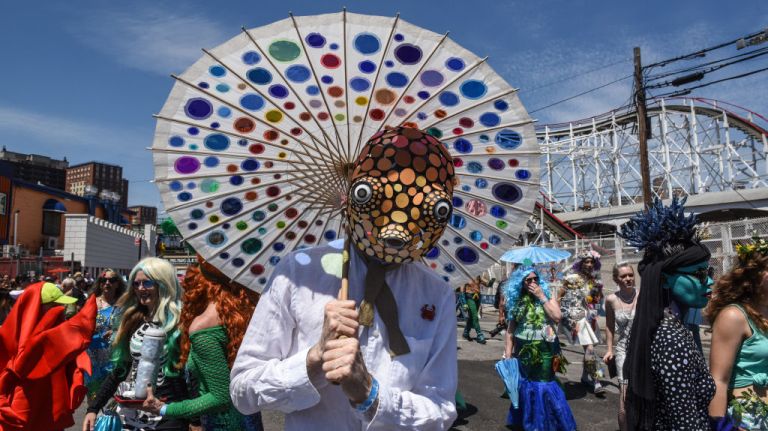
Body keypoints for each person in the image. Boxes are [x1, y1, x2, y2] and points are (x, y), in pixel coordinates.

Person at [229, 126, 458, 430]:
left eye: (430, 208)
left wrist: (371, 394)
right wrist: (313, 360)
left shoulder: (436, 294)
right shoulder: (299, 273)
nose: (397, 225)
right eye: (376, 196)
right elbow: (243, 391)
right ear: (351, 193)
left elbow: (441, 409)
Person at [619, 197, 716, 430]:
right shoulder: (670, 338)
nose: (710, 280)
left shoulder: (664, 325)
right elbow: (685, 422)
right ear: (664, 279)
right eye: (700, 274)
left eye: (709, 271)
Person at [137, 258, 263, 430]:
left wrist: (165, 408)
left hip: (224, 425)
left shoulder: (204, 326)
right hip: (251, 421)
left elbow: (221, 397)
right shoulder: (242, 317)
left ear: (199, 284)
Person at [84, 257, 188, 431]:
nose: (140, 289)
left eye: (147, 283)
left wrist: (194, 420)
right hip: (133, 413)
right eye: (136, 284)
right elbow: (120, 368)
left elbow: (191, 377)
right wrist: (93, 408)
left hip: (170, 413)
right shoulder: (134, 319)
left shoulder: (181, 322)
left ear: (163, 284)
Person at [0, 282, 96, 430]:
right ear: (37, 308)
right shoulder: (13, 337)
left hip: (49, 409)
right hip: (24, 405)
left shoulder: (53, 333)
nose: (61, 309)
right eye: (54, 305)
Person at [503, 265, 576, 431]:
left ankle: (545, 424)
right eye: (528, 280)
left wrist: (541, 296)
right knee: (526, 384)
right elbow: (510, 331)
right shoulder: (516, 301)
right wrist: (508, 355)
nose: (533, 282)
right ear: (520, 283)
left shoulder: (547, 296)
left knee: (544, 383)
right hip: (523, 349)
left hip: (545, 348)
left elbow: (557, 317)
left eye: (535, 279)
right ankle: (528, 421)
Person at [706, 236, 768, 430]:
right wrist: (721, 425)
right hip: (746, 420)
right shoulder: (733, 316)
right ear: (755, 274)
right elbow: (718, 379)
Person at [602, 262, 637, 431]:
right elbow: (609, 326)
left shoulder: (643, 295)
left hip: (643, 350)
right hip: (623, 349)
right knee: (624, 394)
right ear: (616, 279)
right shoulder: (611, 300)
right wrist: (609, 349)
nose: (628, 278)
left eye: (631, 275)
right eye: (624, 276)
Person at [557, 272, 604, 394]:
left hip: (585, 320)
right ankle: (596, 381)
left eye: (576, 282)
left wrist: (592, 310)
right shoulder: (563, 292)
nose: (574, 284)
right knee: (589, 349)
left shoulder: (584, 289)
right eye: (572, 282)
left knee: (589, 350)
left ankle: (585, 377)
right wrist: (570, 322)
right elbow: (560, 308)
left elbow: (589, 302)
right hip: (574, 322)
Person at [85, 269, 126, 401]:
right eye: (104, 280)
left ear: (117, 284)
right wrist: (90, 327)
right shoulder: (92, 302)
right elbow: (80, 325)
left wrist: (116, 331)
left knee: (111, 397)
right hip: (93, 356)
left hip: (113, 356)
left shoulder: (123, 304)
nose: (107, 283)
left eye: (112, 280)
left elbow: (129, 327)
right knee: (94, 396)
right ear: (100, 283)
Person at [461, 276, 486, 344]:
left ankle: (466, 333)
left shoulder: (478, 275)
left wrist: (490, 281)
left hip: (477, 297)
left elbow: (487, 284)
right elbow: (462, 290)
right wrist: (464, 303)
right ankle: (479, 335)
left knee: (471, 317)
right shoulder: (465, 274)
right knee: (475, 316)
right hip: (469, 297)